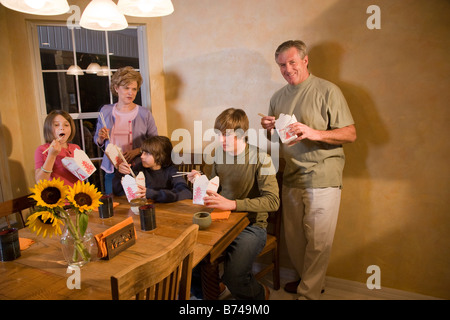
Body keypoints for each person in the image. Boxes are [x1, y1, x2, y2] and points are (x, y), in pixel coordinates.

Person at [260, 40, 357, 300]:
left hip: (324, 175)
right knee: (294, 240)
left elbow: (350, 134)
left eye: (292, 62)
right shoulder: (277, 97)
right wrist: (267, 128)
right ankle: (310, 282)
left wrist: (313, 132)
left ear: (305, 60)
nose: (287, 69)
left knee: (318, 241)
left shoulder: (328, 90)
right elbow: (275, 140)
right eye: (281, 64)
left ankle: (308, 294)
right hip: (291, 176)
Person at [188, 108, 280, 300]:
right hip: (221, 220)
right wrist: (199, 180)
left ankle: (259, 294)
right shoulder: (216, 154)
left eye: (227, 135)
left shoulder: (262, 158)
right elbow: (212, 188)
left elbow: (273, 201)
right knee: (190, 259)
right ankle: (212, 290)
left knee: (234, 277)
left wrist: (233, 204)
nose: (221, 140)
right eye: (219, 135)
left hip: (251, 226)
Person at [94, 66, 158, 195]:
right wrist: (101, 138)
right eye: (126, 88)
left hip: (137, 169)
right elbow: (98, 141)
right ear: (117, 88)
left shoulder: (144, 113)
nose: (131, 92)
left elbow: (155, 143)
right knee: (114, 207)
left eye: (134, 89)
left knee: (138, 204)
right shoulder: (105, 111)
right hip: (112, 170)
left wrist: (137, 151)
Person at [112, 135, 192, 202]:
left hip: (167, 212)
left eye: (147, 153)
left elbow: (186, 193)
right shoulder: (139, 168)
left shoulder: (171, 170)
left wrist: (152, 194)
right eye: (142, 152)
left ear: (160, 156)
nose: (141, 156)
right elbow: (119, 192)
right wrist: (120, 174)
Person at [34, 110, 81, 186]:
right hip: (57, 195)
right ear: (48, 128)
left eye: (66, 125)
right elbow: (40, 181)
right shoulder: (42, 150)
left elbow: (82, 176)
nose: (62, 128)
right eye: (56, 125)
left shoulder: (76, 148)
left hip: (78, 195)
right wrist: (52, 155)